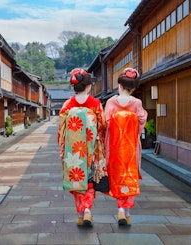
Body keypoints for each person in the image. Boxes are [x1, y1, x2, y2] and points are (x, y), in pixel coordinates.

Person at [58, 68, 106, 227]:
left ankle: (81, 213)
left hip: (73, 151)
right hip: (91, 149)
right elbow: (102, 126)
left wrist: (63, 148)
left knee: (76, 180)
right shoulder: (95, 104)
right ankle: (87, 211)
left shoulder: (67, 105)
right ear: (88, 86)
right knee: (90, 181)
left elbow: (62, 130)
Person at [104, 67, 148, 226]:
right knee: (129, 174)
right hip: (130, 146)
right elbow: (142, 121)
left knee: (117, 174)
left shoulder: (110, 102)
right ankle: (125, 210)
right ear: (134, 88)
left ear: (119, 85)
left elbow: (105, 123)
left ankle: (120, 208)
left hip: (114, 146)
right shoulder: (137, 103)